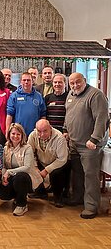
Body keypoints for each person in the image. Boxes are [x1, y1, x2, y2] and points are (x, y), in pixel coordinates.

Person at [64, 72, 109, 219]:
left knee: (90, 175)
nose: (75, 85)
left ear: (84, 80)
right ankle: (78, 198)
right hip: (74, 143)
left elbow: (101, 119)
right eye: (72, 83)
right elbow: (68, 114)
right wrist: (66, 130)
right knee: (77, 174)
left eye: (78, 82)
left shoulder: (96, 95)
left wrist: (94, 139)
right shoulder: (71, 94)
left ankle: (91, 207)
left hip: (89, 145)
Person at [0, 123, 42, 216]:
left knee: (20, 177)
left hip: (27, 178)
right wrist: (3, 177)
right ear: (9, 134)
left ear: (22, 135)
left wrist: (9, 172)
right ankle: (18, 196)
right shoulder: (6, 148)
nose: (15, 136)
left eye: (18, 134)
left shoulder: (27, 148)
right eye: (13, 134)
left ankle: (22, 205)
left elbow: (27, 168)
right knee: (2, 194)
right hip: (12, 177)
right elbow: (4, 166)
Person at [27, 119, 69, 207]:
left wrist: (46, 170)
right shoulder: (32, 135)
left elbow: (62, 159)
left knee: (56, 173)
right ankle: (40, 192)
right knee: (29, 167)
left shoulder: (59, 137)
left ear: (50, 128)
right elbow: (29, 153)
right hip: (41, 161)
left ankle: (58, 196)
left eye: (45, 131)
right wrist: (35, 167)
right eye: (39, 131)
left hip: (58, 163)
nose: (42, 134)